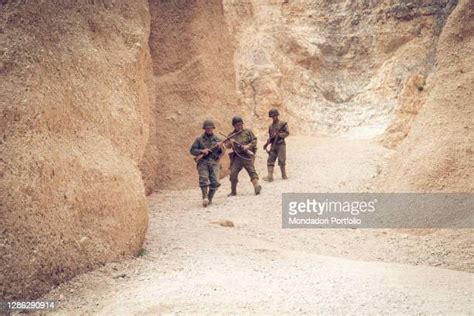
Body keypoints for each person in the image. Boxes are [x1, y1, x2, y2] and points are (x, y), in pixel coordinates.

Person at [190, 120, 223, 207]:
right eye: (207, 128)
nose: (209, 129)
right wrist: (202, 151)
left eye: (210, 128)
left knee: (215, 182)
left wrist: (220, 148)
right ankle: (205, 197)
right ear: (204, 129)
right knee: (203, 179)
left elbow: (221, 153)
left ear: (213, 128)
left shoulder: (218, 140)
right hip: (203, 162)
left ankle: (210, 198)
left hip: (214, 162)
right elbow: (192, 150)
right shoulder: (199, 139)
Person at [225, 116, 262, 196]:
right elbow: (227, 146)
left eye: (240, 124)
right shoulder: (231, 135)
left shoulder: (248, 132)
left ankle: (256, 187)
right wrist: (230, 142)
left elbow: (254, 140)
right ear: (234, 126)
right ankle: (233, 191)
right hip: (237, 157)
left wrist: (248, 146)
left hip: (247, 156)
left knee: (252, 171)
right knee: (233, 173)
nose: (239, 126)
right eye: (237, 125)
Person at [263, 108, 289, 181]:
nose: (274, 117)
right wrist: (268, 142)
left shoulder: (282, 124)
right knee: (270, 160)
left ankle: (284, 175)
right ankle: (270, 176)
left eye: (275, 116)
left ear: (277, 115)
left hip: (281, 144)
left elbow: (287, 133)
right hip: (273, 145)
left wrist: (279, 135)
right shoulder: (270, 126)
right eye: (272, 116)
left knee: (282, 160)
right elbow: (270, 136)